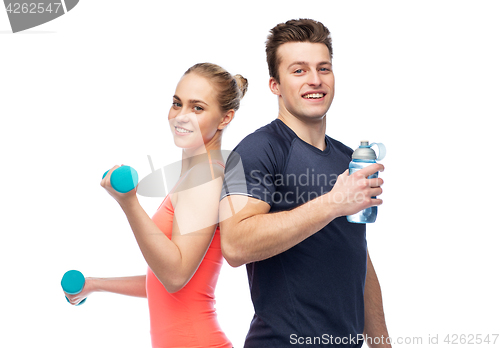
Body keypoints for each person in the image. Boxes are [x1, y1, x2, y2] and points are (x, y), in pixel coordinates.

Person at [219, 19, 391, 347]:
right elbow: (235, 244)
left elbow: (357, 257)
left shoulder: (347, 158)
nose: (315, 80)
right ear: (275, 85)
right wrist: (334, 203)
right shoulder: (258, 150)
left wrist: (382, 344)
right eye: (299, 70)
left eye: (323, 68)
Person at [64, 63, 248, 348]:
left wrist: (129, 202)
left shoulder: (205, 177)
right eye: (177, 104)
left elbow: (175, 275)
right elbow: (165, 284)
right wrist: (96, 284)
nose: (181, 116)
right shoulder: (194, 176)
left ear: (225, 118)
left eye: (197, 108)